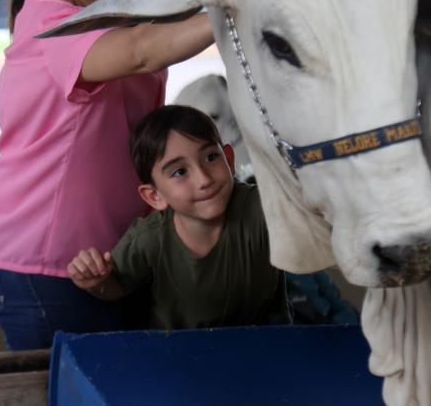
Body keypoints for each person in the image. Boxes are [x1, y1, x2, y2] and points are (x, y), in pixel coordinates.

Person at [0, 0, 215, 351]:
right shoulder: (53, 24)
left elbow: (169, 16)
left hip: (109, 258)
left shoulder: (113, 3)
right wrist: (241, 5)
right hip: (41, 262)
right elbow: (142, 50)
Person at [68, 105, 290, 330]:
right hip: (178, 355)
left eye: (211, 157)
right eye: (180, 172)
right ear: (154, 196)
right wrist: (95, 281)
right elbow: (116, 286)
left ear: (229, 160)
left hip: (266, 347)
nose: (204, 179)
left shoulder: (262, 206)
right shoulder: (150, 238)